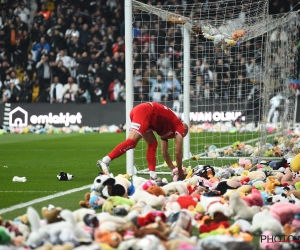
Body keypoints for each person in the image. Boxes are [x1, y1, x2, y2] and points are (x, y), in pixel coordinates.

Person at [97, 102, 189, 181]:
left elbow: (164, 153)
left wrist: (174, 169)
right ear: (184, 129)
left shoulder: (169, 130)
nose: (181, 137)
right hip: (145, 111)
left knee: (152, 143)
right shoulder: (180, 126)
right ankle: (105, 160)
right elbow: (177, 152)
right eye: (183, 135)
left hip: (144, 114)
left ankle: (153, 175)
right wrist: (180, 171)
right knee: (132, 142)